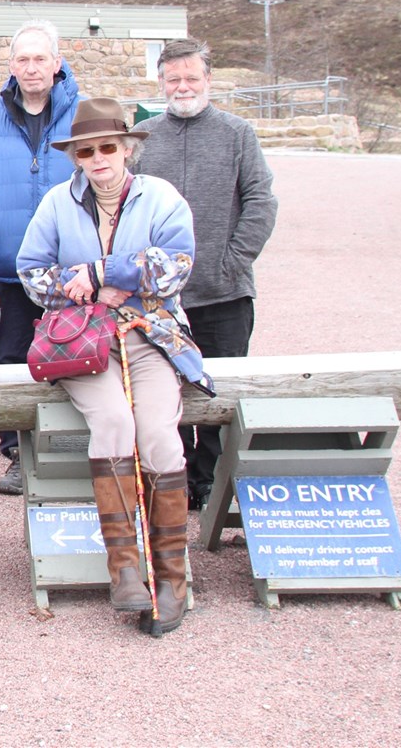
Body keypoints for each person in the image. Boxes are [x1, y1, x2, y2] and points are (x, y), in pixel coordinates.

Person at [17, 97, 210, 637]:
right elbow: (31, 273)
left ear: (127, 148)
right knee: (114, 424)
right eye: (87, 150)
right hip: (85, 341)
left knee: (160, 438)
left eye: (108, 147)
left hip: (150, 334)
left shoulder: (162, 197)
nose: (99, 158)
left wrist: (99, 270)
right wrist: (86, 287)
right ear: (76, 156)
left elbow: (176, 264)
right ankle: (125, 567)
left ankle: (170, 577)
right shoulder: (57, 203)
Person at [134, 38, 277, 508]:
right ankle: (175, 483)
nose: (182, 86)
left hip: (224, 294)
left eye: (191, 78)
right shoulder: (146, 138)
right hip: (160, 301)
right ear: (161, 82)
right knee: (166, 394)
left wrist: (232, 261)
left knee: (220, 394)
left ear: (207, 80)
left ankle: (213, 484)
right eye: (173, 79)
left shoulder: (238, 134)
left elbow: (260, 201)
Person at [0, 21, 83, 495]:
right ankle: (15, 452)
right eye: (23, 60)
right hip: (9, 263)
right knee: (10, 356)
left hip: (70, 269)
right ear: (11, 67)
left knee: (72, 352)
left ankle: (66, 445)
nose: (31, 68)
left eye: (39, 59)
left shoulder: (82, 113)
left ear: (56, 63)